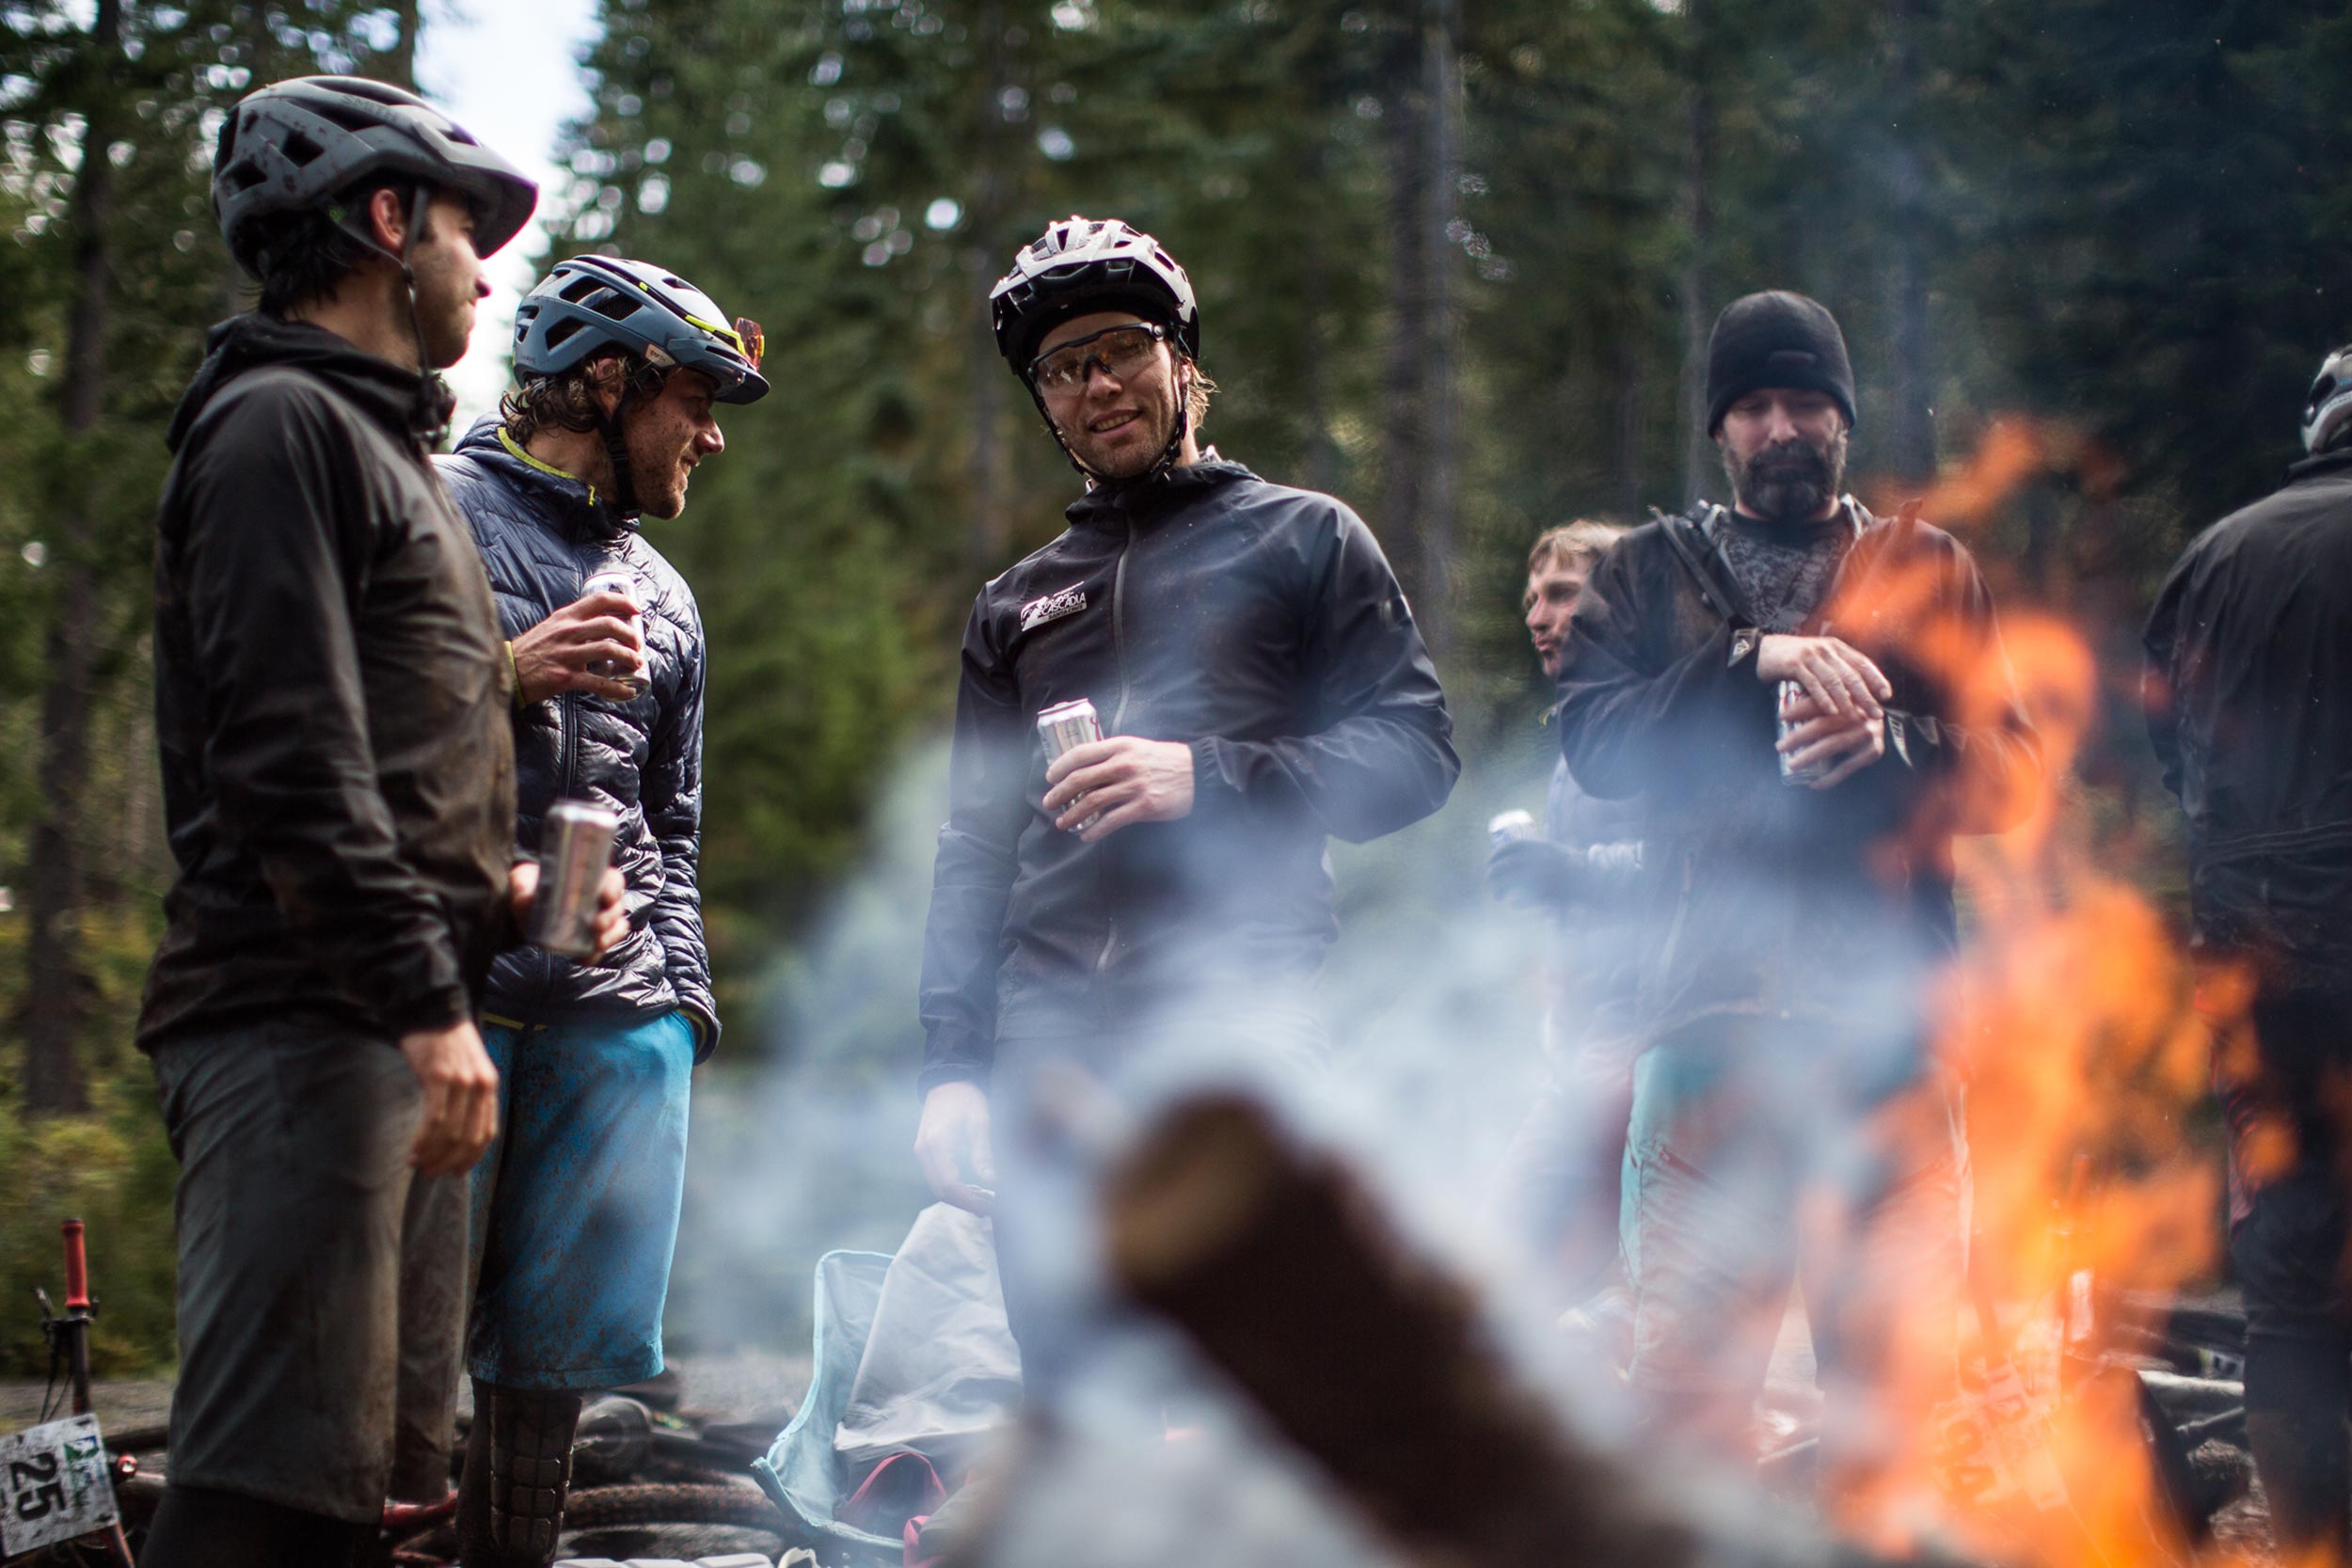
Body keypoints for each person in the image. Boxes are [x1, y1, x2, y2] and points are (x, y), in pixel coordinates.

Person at [137, 76, 612, 1568]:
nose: (486, 276)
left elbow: (388, 768)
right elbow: (286, 757)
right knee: (258, 1497)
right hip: (298, 1020)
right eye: (468, 234)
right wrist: (425, 1001)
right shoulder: (278, 427)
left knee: (339, 1504)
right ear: (388, 220)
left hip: (366, 1020)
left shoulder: (378, 450)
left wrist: (508, 891)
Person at [913, 215, 1458, 1380]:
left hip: (1240, 1013)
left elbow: (1416, 752)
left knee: (1255, 1378)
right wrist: (953, 1067)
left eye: (1121, 348)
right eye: (1063, 368)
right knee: (1073, 1388)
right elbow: (974, 847)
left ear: (1181, 358)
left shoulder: (1306, 536)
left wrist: (1204, 774)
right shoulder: (1014, 603)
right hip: (1047, 1039)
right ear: (1044, 402)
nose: (1097, 384)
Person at [1553, 291, 2041, 1498]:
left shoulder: (1927, 567)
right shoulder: (1648, 571)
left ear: (1842, 418)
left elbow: (2016, 773)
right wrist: (1747, 659)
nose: (1780, 428)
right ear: (1720, 427)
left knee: (1894, 1410)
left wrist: (1894, 747)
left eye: (1805, 403)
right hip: (1702, 1039)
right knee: (1685, 1408)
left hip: (1888, 1042)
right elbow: (1595, 747)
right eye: (1754, 405)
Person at [434, 255, 766, 1568]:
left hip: (616, 1018)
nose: (711, 434)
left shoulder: (669, 596)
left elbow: (672, 826)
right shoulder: (430, 514)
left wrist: (679, 1011)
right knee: (395, 1360)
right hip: (445, 997)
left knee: (555, 1366)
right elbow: (330, 725)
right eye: (695, 400)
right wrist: (502, 671)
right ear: (610, 382)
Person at [2143, 344, 2352, 1560]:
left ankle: (2315, 1543)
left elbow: (2165, 751)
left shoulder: (2215, 554)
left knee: (2288, 1272)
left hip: (2260, 963)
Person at [1488, 520, 1644, 1328]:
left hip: (1654, 1048)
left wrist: (1571, 871)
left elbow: (1700, 868)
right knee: (1540, 1278)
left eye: (1560, 594)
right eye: (1531, 599)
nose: (1537, 616)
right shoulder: (1581, 737)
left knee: (1515, 1261)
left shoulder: (1662, 716)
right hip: (1589, 1046)